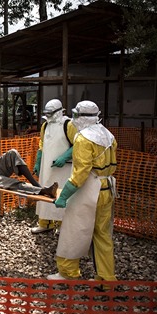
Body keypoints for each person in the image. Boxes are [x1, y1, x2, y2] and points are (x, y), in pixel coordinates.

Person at [47, 100, 117, 283]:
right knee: (102, 234)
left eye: (76, 115)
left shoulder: (84, 138)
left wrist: (63, 196)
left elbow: (80, 174)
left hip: (88, 190)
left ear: (81, 117)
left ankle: (68, 272)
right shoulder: (108, 135)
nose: (74, 118)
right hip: (107, 189)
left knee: (73, 231)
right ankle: (106, 278)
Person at [31, 99, 78, 234]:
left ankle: (62, 225)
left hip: (64, 169)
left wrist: (65, 157)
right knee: (45, 191)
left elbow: (78, 144)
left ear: (59, 112)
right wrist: (38, 162)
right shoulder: (45, 126)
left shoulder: (68, 125)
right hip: (47, 168)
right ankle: (45, 223)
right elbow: (42, 144)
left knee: (62, 193)